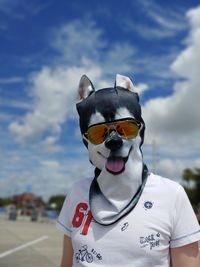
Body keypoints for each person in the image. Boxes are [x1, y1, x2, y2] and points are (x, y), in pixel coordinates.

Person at [56, 74, 200, 267]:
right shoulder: (76, 193)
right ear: (85, 139)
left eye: (126, 129)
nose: (114, 140)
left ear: (140, 131)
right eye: (98, 133)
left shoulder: (171, 195)